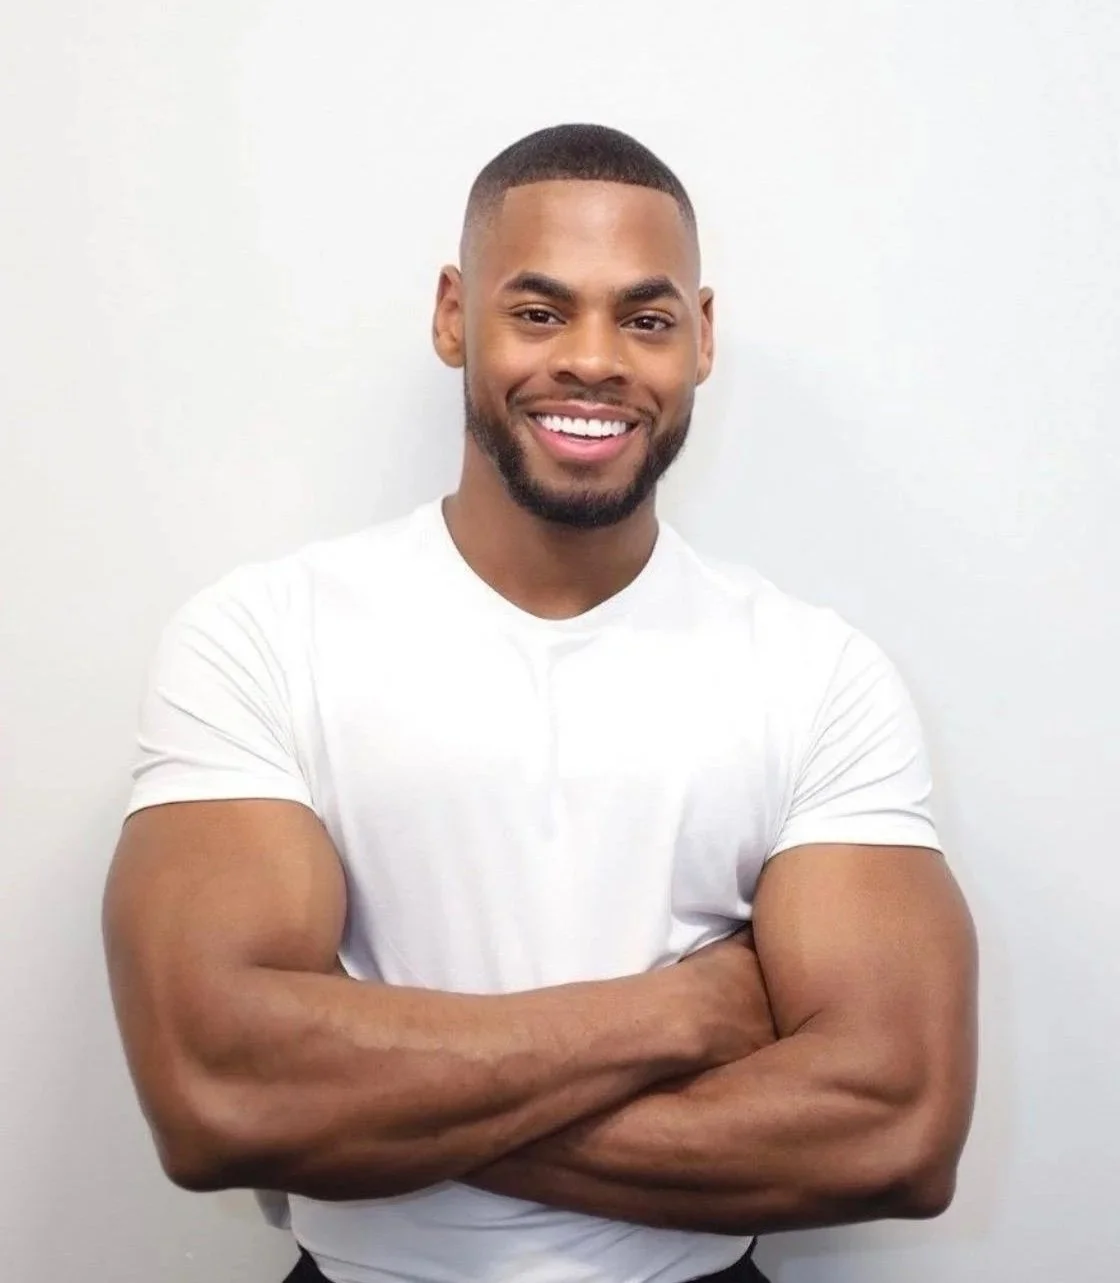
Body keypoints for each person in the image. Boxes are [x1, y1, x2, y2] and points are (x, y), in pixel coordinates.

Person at [103, 124, 978, 1283]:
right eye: (539, 310)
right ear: (453, 315)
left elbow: (894, 1130)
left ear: (701, 338)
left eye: (646, 317)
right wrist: (682, 1015)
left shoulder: (816, 672)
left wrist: (376, 1112)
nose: (595, 359)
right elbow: (218, 1093)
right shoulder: (262, 637)